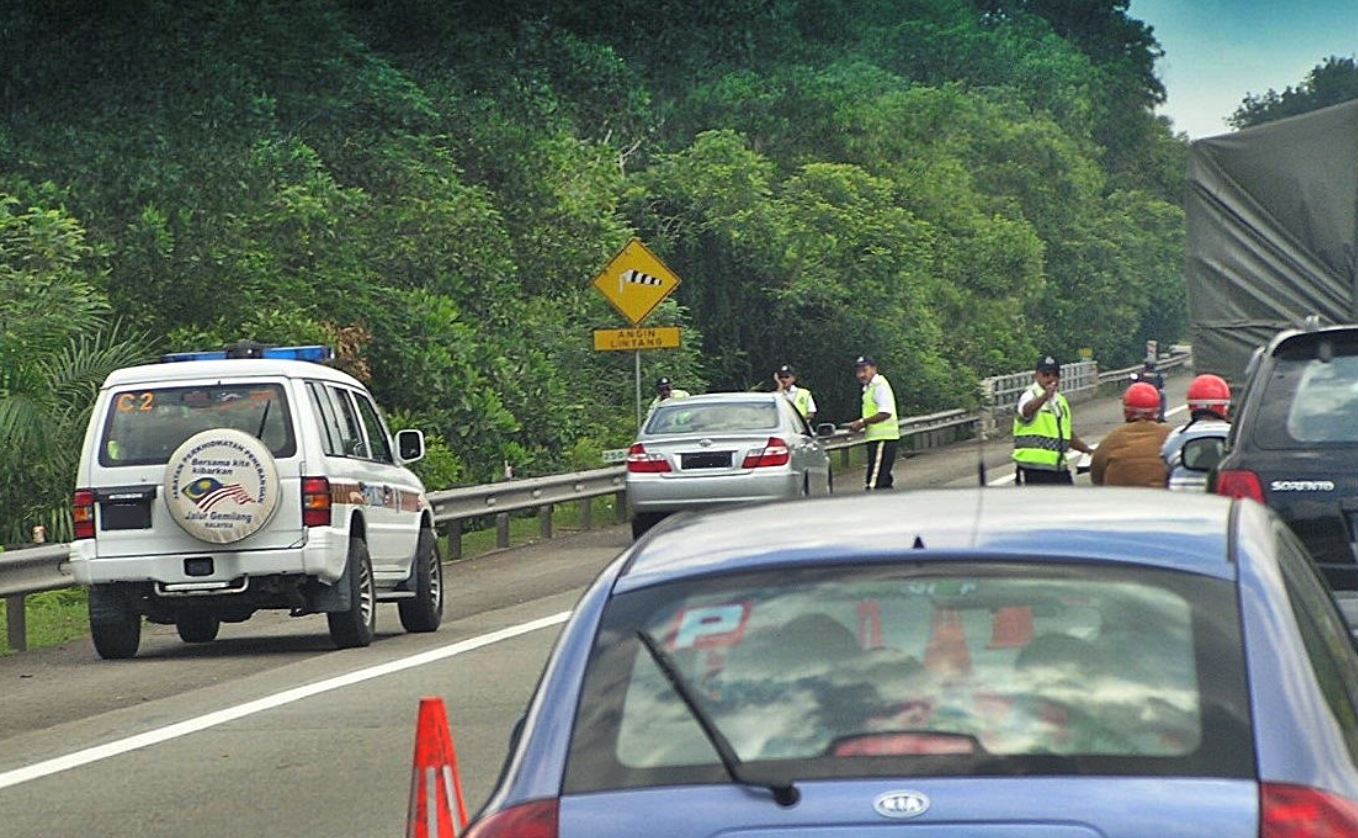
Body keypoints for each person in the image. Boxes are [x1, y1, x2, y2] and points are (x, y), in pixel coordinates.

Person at [1012, 355, 1094, 485]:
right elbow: (1026, 411)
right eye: (1046, 374)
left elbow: (1067, 434)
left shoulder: (1060, 401)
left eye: (1055, 375)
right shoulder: (1030, 395)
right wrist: (1045, 396)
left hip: (1058, 468)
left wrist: (1087, 450)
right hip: (1033, 468)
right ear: (1036, 375)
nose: (1051, 378)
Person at [1090, 382, 1171, 487]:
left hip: (1120, 500)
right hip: (1162, 499)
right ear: (1157, 410)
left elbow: (1096, 477)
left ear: (1126, 411)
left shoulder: (1112, 439)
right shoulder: (1170, 436)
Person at [1161, 374, 1232, 491]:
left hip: (1182, 503)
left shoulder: (1177, 435)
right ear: (1225, 406)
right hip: (1221, 502)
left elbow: (1167, 463)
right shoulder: (1234, 434)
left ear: (1191, 406)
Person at [848, 355, 899, 490]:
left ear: (874, 369)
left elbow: (885, 412)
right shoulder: (869, 388)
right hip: (877, 438)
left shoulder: (879, 386)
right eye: (858, 371)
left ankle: (871, 506)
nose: (861, 375)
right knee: (883, 479)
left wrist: (862, 423)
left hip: (883, 437)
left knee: (874, 482)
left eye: (864, 370)